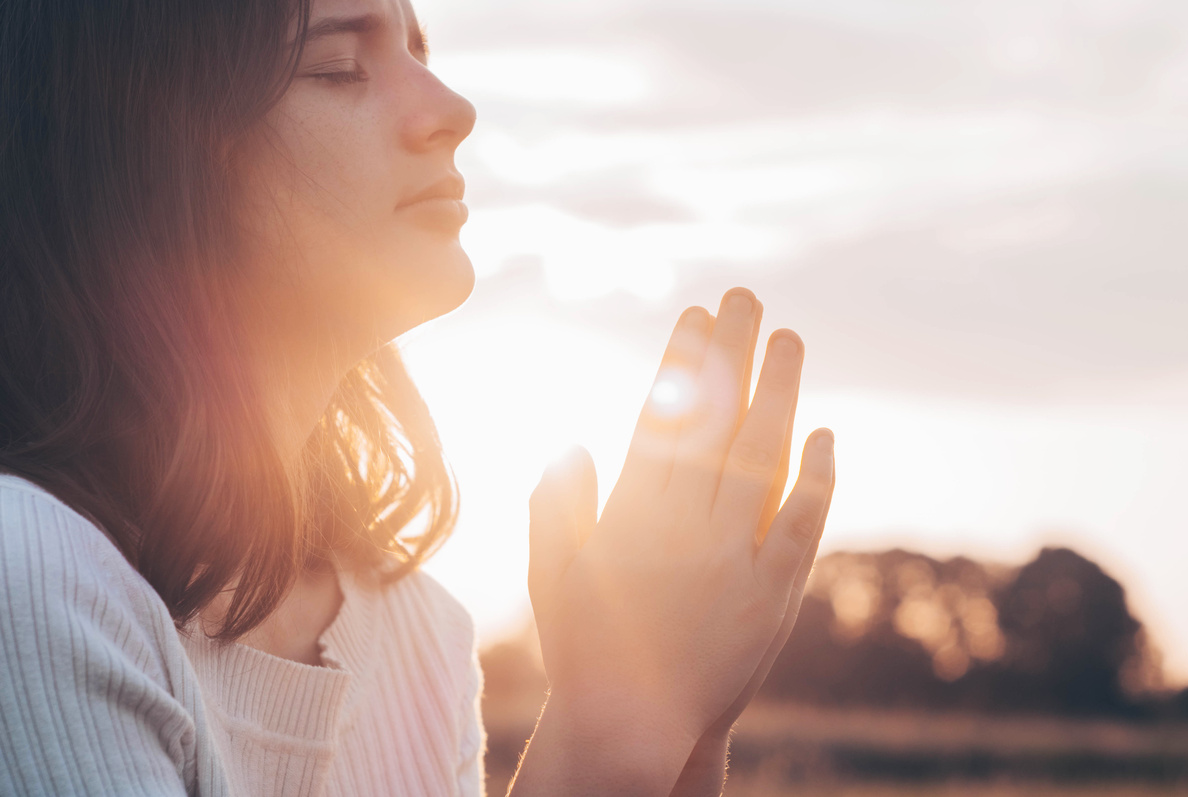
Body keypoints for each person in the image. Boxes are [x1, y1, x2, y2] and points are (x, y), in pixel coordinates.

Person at [0, 0, 836, 794]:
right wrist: (603, 736)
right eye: (336, 67)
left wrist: (680, 730)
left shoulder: (418, 634)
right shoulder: (27, 572)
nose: (451, 107)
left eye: (417, 51)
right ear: (138, 150)